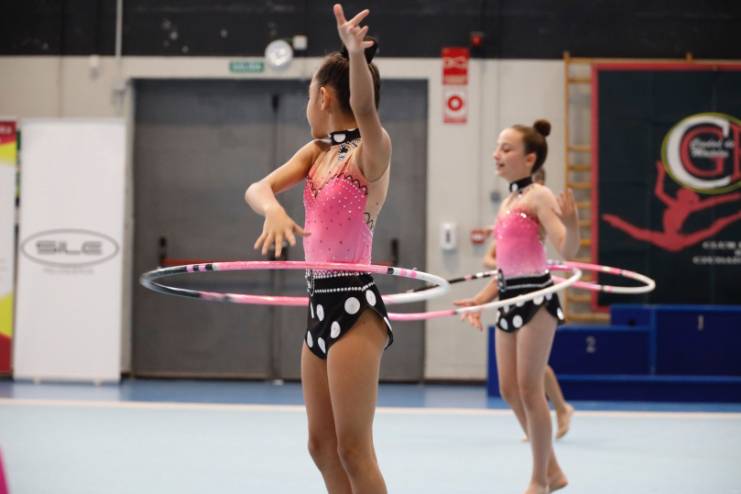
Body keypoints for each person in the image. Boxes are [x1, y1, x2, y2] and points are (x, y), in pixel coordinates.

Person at [245, 5, 392, 492]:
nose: (308, 107)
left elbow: (365, 110)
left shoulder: (370, 153)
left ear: (324, 97)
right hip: (319, 304)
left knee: (354, 449)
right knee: (322, 446)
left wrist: (354, 55)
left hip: (354, 306)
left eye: (310, 97)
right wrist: (271, 209)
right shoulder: (316, 153)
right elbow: (257, 188)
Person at [456, 119, 579, 493]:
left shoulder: (539, 195)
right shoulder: (509, 201)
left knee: (529, 389)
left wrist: (573, 226)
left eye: (506, 148)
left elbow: (567, 251)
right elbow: (505, 269)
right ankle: (553, 470)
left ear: (529, 159)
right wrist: (479, 301)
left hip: (536, 299)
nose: (497, 154)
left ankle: (539, 479)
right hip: (509, 298)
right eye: (498, 147)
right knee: (509, 389)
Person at [482, 167, 574, 441]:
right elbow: (491, 259)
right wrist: (505, 265)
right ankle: (545, 429)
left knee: (532, 377)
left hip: (534, 292)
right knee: (517, 383)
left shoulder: (539, 204)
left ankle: (558, 413)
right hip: (510, 292)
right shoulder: (508, 208)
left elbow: (566, 247)